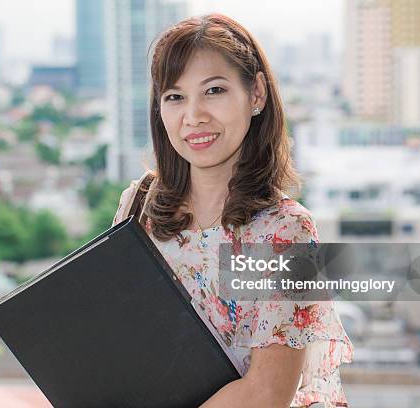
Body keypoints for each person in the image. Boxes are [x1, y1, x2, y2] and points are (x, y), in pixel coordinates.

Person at [112, 13, 353, 408]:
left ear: (256, 94)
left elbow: (267, 394)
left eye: (214, 91)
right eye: (175, 97)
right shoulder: (140, 204)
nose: (194, 117)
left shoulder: (284, 232)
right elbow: (120, 332)